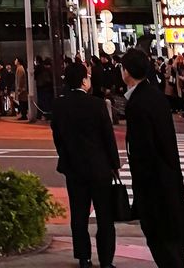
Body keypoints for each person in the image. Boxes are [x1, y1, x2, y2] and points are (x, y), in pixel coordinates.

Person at [122, 47, 184, 268]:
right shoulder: (155, 96)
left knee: (163, 245)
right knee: (172, 246)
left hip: (154, 188)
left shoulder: (137, 104)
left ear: (126, 72)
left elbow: (143, 152)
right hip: (168, 180)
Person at [51, 60, 120, 268]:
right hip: (99, 168)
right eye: (88, 76)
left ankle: (84, 258)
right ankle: (106, 261)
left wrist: (66, 158)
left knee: (79, 216)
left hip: (74, 168)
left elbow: (58, 139)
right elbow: (108, 137)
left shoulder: (59, 105)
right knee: (104, 216)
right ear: (83, 80)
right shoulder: (97, 104)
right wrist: (114, 164)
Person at [14, 56, 28, 121]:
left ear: (18, 61)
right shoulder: (20, 68)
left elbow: (20, 79)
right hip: (22, 88)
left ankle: (24, 115)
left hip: (22, 89)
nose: (15, 61)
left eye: (16, 60)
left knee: (22, 102)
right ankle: (23, 114)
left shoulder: (20, 69)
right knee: (22, 102)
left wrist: (19, 88)